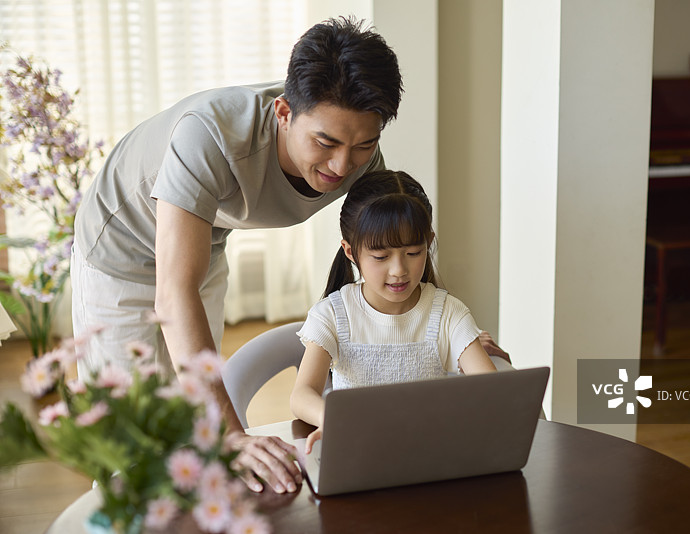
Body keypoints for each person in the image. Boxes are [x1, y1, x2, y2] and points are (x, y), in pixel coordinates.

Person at [71, 17, 402, 495]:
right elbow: (173, 294)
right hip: (119, 248)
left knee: (192, 423)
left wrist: (447, 328)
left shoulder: (358, 155)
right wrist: (232, 436)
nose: (341, 166)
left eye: (362, 145)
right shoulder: (210, 135)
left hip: (201, 242)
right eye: (325, 143)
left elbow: (387, 252)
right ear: (284, 112)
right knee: (132, 442)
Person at [290, 170, 497, 452]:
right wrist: (335, 420)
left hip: (429, 454)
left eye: (413, 253)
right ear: (350, 252)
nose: (399, 270)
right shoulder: (334, 314)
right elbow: (302, 395)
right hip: (359, 452)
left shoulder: (447, 311)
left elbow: (492, 391)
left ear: (429, 242)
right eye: (381, 257)